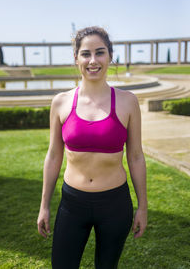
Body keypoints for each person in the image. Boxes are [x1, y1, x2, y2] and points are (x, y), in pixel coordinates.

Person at [37, 26, 147, 269]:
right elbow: (54, 155)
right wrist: (44, 206)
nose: (93, 60)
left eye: (100, 52)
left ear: (110, 56)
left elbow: (136, 156)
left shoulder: (128, 102)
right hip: (72, 203)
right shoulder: (61, 102)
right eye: (86, 54)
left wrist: (143, 206)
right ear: (76, 58)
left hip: (115, 204)